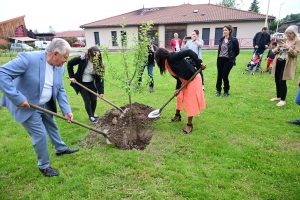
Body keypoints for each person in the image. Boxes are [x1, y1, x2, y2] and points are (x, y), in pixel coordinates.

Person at [0, 38, 79, 177]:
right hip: (27, 106)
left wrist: (66, 110)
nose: (66, 60)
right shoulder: (28, 59)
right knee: (40, 134)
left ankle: (60, 148)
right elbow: (2, 74)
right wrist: (17, 98)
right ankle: (44, 166)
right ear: (55, 53)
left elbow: (60, 89)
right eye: (65, 57)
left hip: (44, 104)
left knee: (52, 125)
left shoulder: (60, 68)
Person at [154, 48, 206, 134]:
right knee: (179, 97)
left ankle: (189, 125)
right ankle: (177, 116)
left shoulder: (172, 57)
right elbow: (178, 77)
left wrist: (198, 63)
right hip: (184, 80)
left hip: (193, 78)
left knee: (190, 101)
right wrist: (177, 89)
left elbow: (189, 51)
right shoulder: (167, 64)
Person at [68, 46, 104, 123]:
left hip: (91, 83)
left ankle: (93, 113)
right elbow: (70, 63)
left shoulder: (98, 63)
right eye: (95, 56)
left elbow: (100, 79)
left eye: (98, 55)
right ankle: (91, 117)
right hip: (81, 83)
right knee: (87, 100)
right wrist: (72, 77)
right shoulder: (82, 59)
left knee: (94, 100)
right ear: (90, 54)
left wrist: (101, 92)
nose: (96, 58)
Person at [270, 25, 300, 107]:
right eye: (286, 32)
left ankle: (283, 100)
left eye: (290, 33)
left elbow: (296, 54)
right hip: (278, 61)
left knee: (282, 81)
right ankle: (278, 96)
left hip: (287, 63)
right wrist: (278, 48)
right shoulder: (283, 40)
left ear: (294, 33)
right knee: (277, 79)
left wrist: (288, 48)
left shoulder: (297, 41)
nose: (288, 34)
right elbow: (274, 51)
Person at [216, 25, 240, 97]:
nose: (224, 32)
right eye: (223, 30)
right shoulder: (221, 39)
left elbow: (237, 51)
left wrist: (232, 57)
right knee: (219, 75)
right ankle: (218, 90)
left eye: (226, 30)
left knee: (224, 75)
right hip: (220, 59)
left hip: (228, 60)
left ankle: (226, 91)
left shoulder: (234, 40)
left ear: (230, 31)